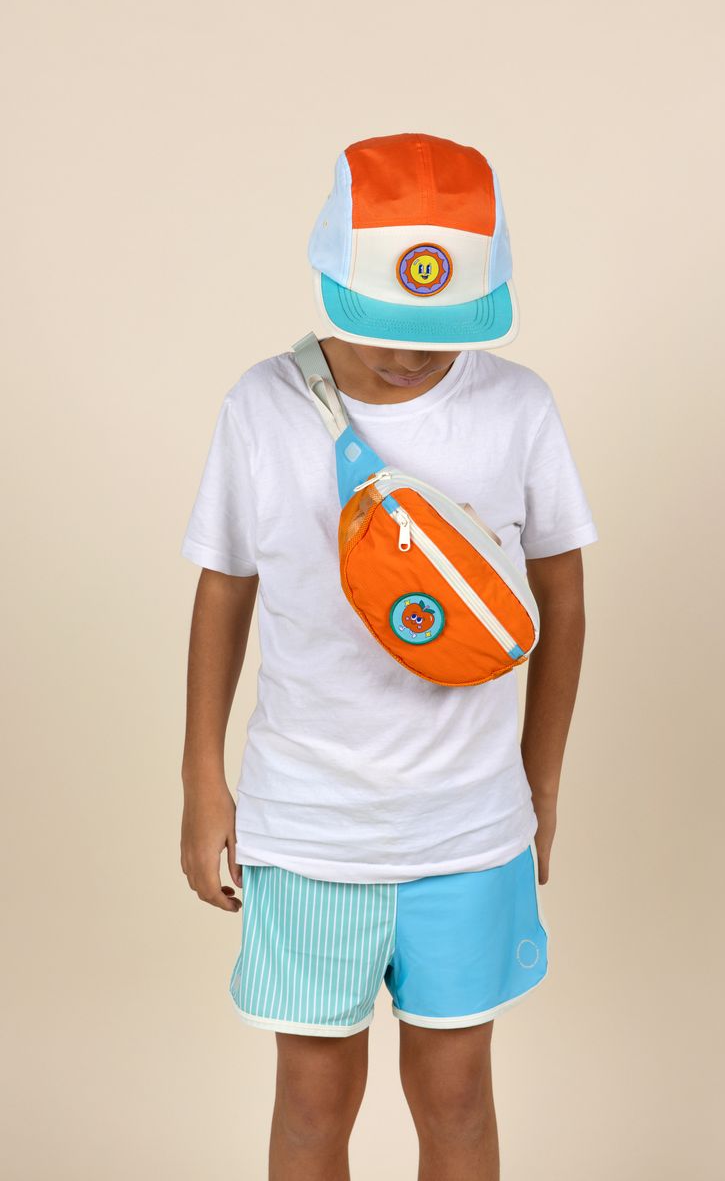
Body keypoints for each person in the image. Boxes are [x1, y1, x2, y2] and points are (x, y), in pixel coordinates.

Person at [179, 131, 598, 1181]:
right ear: (329, 275)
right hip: (307, 825)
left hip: (467, 827)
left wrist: (540, 784)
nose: (408, 356)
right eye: (382, 328)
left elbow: (561, 596)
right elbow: (224, 586)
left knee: (457, 1100)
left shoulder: (517, 407)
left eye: (438, 333)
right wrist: (200, 778)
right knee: (309, 1105)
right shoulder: (262, 406)